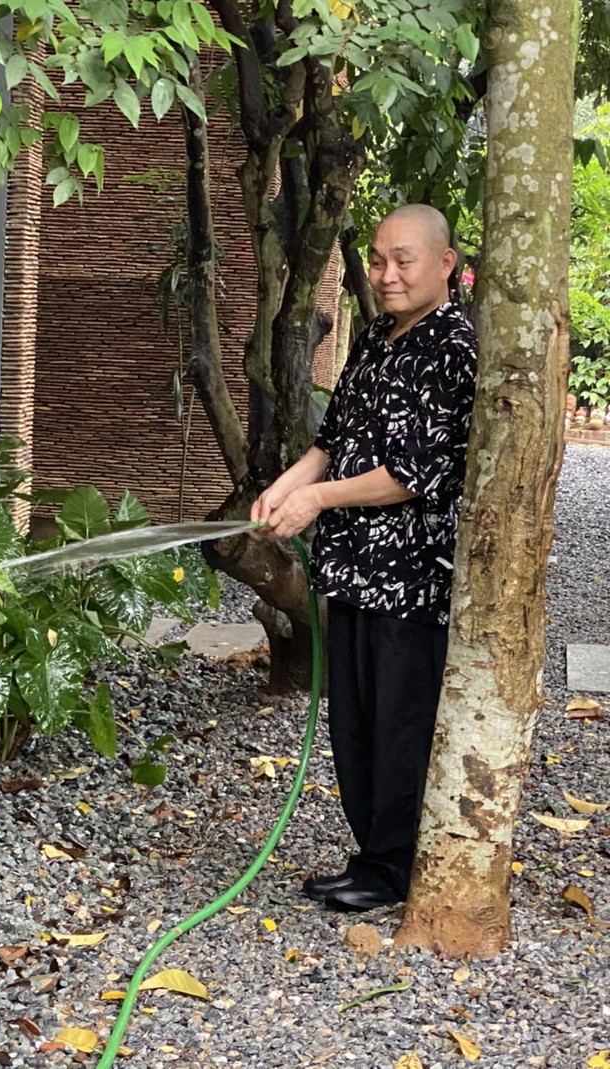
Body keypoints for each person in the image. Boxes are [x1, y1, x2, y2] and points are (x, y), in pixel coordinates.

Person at [250, 204, 477, 912]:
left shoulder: (455, 348)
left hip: (410, 581)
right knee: (352, 721)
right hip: (351, 570)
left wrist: (318, 502)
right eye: (377, 259)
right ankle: (370, 856)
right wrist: (282, 490)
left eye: (402, 260)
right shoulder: (377, 337)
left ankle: (392, 869)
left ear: (445, 264)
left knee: (399, 724)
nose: (385, 274)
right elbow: (332, 439)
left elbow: (414, 474)